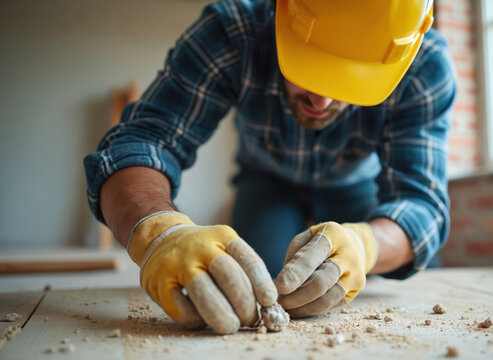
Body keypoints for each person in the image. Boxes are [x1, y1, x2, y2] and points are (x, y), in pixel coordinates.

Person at [84, 0, 456, 334]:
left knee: (418, 283)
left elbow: (422, 205)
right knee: (255, 283)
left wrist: (366, 245)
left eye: (350, 76)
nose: (320, 99)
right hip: (266, 178)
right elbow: (142, 142)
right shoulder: (233, 31)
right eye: (309, 63)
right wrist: (159, 234)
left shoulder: (424, 63)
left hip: (358, 187)